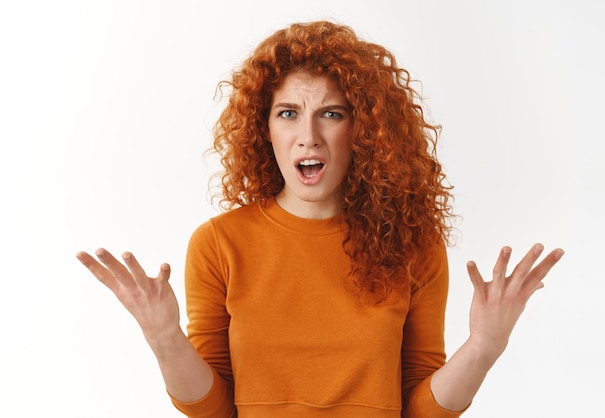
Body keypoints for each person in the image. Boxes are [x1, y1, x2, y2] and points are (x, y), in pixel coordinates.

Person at [76, 20, 564, 418]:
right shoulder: (219, 243)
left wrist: (483, 347)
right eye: (287, 113)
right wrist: (164, 339)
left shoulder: (414, 246)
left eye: (331, 114)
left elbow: (419, 409)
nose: (307, 135)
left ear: (365, 129)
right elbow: (215, 409)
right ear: (263, 128)